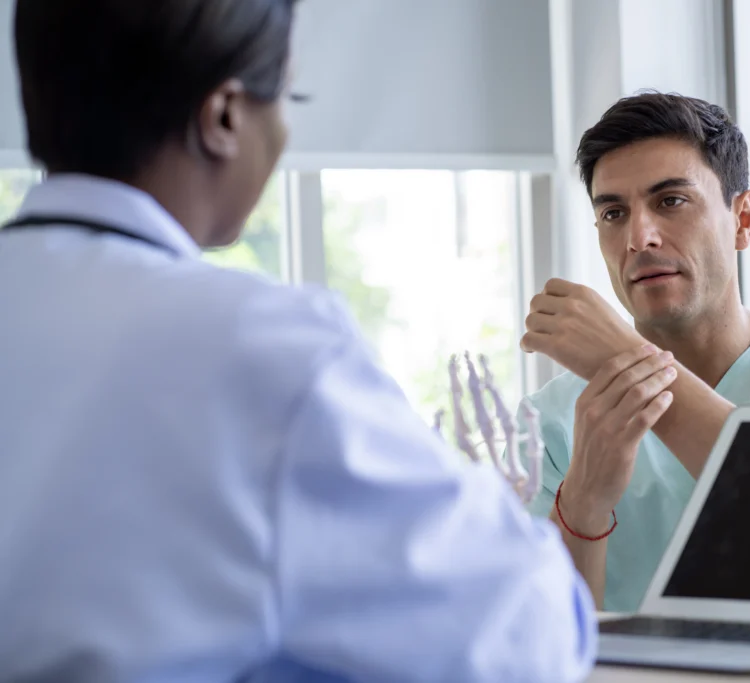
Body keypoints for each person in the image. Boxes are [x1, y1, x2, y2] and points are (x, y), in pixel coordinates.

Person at [0, 1, 596, 681]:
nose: (284, 130)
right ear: (224, 115)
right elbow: (528, 633)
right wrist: (480, 498)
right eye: (289, 97)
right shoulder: (257, 346)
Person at [518, 92, 750, 613]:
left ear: (742, 219)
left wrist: (626, 360)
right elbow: (547, 641)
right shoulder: (551, 423)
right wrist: (582, 503)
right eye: (613, 212)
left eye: (670, 201)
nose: (639, 237)